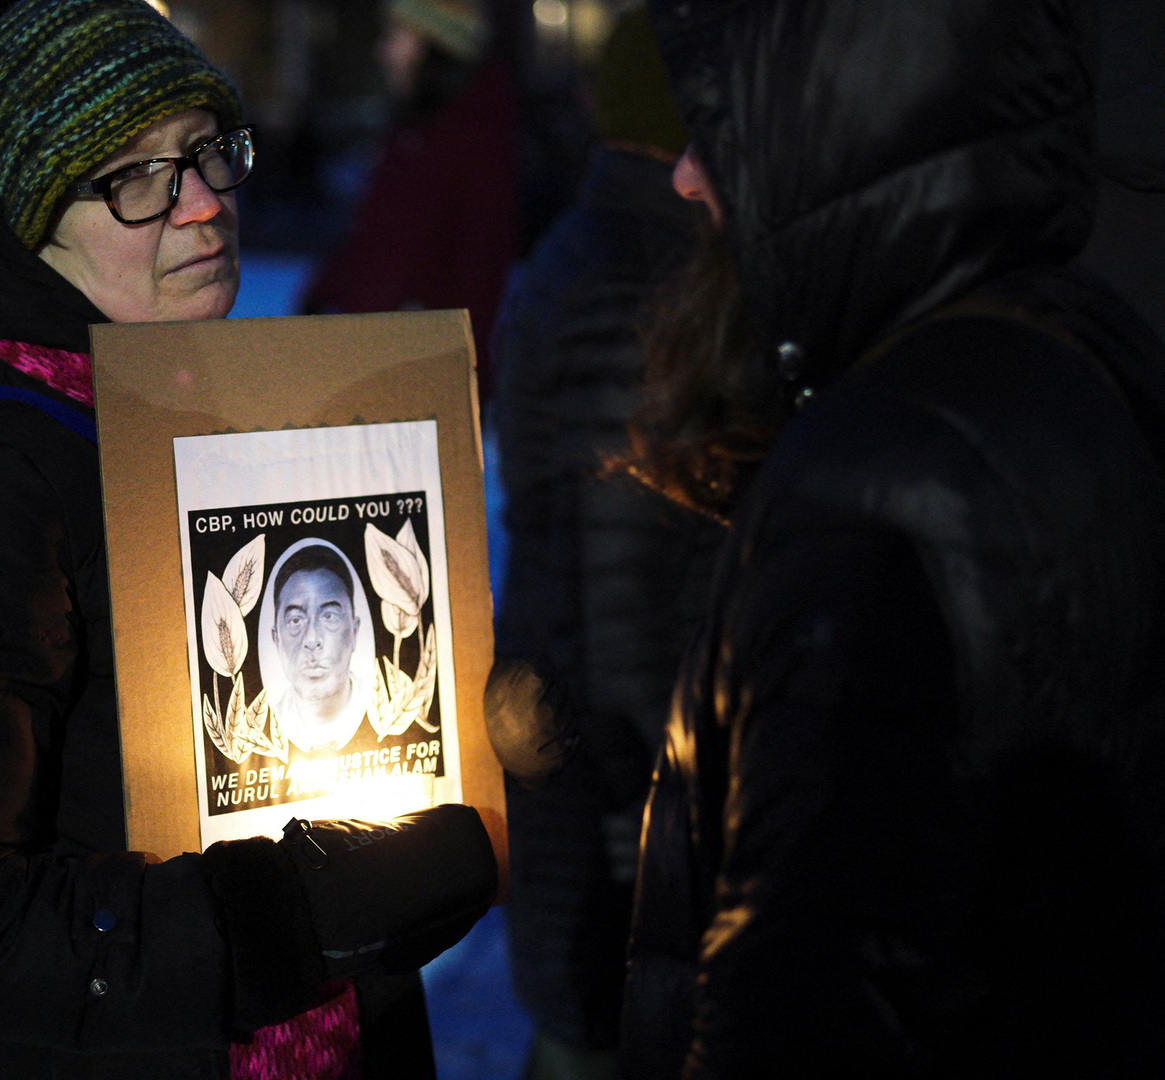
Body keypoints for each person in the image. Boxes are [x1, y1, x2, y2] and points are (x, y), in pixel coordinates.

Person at [0, 2, 496, 1077]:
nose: (201, 205)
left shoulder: (223, 412)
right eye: (133, 177)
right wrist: (282, 919)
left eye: (204, 152)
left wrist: (481, 727)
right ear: (16, 221)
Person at [619, 0, 1165, 1077]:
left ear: (834, 129)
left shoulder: (872, 489)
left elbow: (805, 1013)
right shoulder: (1075, 345)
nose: (684, 174)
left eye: (727, 128)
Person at [486, 11, 725, 1080]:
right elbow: (625, 573)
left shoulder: (577, 251)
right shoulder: (643, 283)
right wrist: (651, 822)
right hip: (614, 785)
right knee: (600, 1038)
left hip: (569, 728)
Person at [298, 0, 519, 405]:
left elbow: (479, 273)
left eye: (396, 36)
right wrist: (321, 296)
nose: (383, 52)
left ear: (435, 46)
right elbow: (372, 237)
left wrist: (458, 380)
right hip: (373, 363)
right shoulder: (414, 131)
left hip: (416, 384)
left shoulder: (475, 140)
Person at [264, 541, 373, 754]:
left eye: (329, 616)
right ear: (276, 639)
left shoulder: (381, 711)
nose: (312, 639)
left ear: (354, 631)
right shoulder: (263, 728)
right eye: (296, 620)